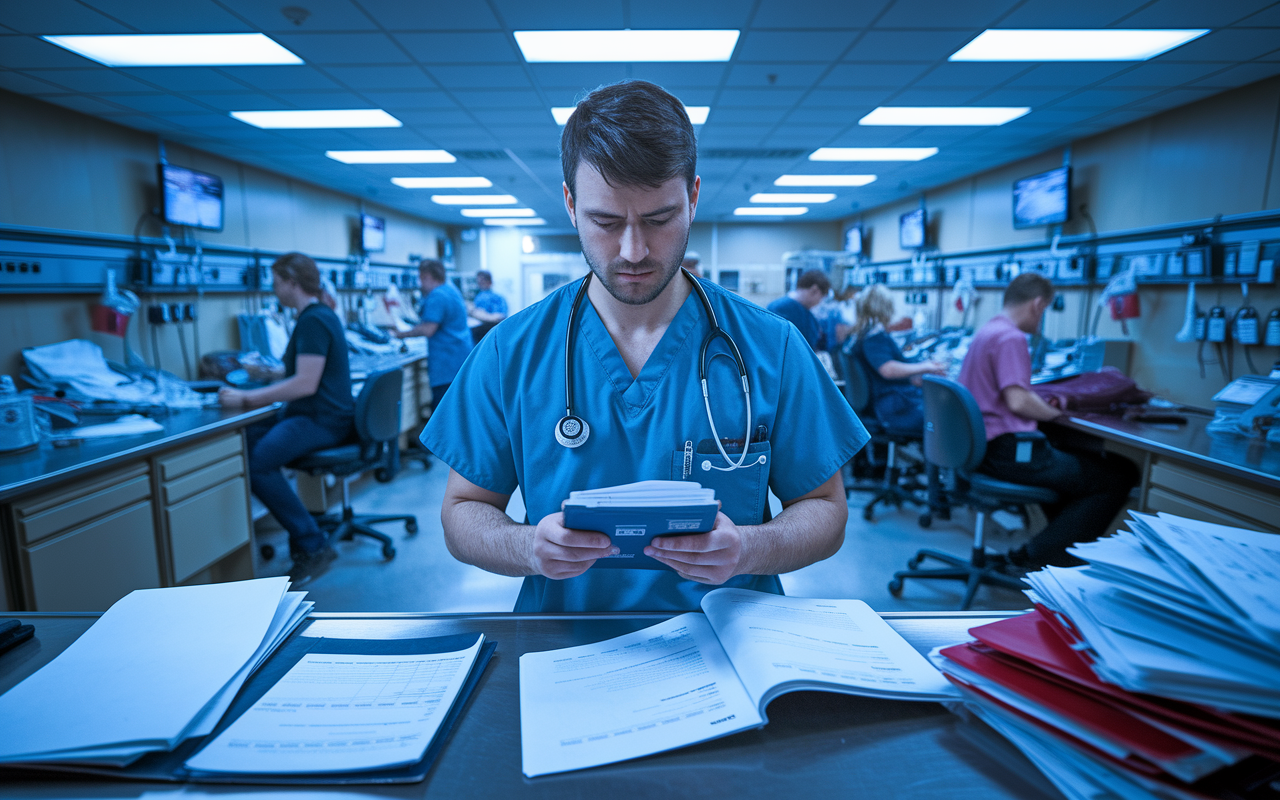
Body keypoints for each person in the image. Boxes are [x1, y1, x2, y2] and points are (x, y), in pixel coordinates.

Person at [422, 80, 868, 613]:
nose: (634, 251)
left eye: (659, 219)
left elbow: (825, 508)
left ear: (693, 196)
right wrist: (528, 547)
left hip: (732, 643)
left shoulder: (772, 346)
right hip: (564, 648)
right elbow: (462, 511)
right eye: (606, 222)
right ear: (569, 203)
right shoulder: (509, 352)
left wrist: (749, 547)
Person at [957, 272, 1139, 569]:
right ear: (1038, 304)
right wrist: (1060, 413)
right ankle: (1036, 557)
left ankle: (1053, 554)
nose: (1041, 320)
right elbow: (1018, 400)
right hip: (1008, 452)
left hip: (982, 450)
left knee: (1076, 473)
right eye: (1043, 312)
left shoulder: (987, 331)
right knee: (1119, 475)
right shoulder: (1011, 337)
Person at [219, 252, 354, 579]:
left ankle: (312, 543)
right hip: (321, 414)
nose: (274, 288)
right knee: (249, 438)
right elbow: (302, 371)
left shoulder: (312, 320)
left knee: (258, 464)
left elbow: (306, 383)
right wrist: (268, 374)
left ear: (292, 283)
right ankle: (297, 528)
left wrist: (248, 397)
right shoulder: (318, 315)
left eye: (277, 282)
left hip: (322, 419)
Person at [851, 285, 947, 435]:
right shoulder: (875, 338)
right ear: (886, 308)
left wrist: (911, 378)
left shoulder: (860, 335)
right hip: (891, 407)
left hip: (885, 403)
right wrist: (926, 366)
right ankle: (936, 457)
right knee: (946, 417)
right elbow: (887, 370)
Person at [394, 258, 473, 407]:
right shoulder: (450, 289)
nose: (420, 284)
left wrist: (399, 334)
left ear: (426, 276)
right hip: (459, 359)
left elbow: (427, 329)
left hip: (447, 365)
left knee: (443, 412)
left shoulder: (437, 296)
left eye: (420, 279)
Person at [767, 269, 830, 350]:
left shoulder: (805, 312)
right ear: (814, 290)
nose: (819, 302)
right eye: (821, 297)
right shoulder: (780, 308)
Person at [468, 269, 508, 343]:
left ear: (490, 282)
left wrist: (482, 315)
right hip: (479, 335)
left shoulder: (498, 298)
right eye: (479, 282)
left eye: (482, 281)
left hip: (493, 334)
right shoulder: (478, 297)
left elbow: (500, 317)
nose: (480, 284)